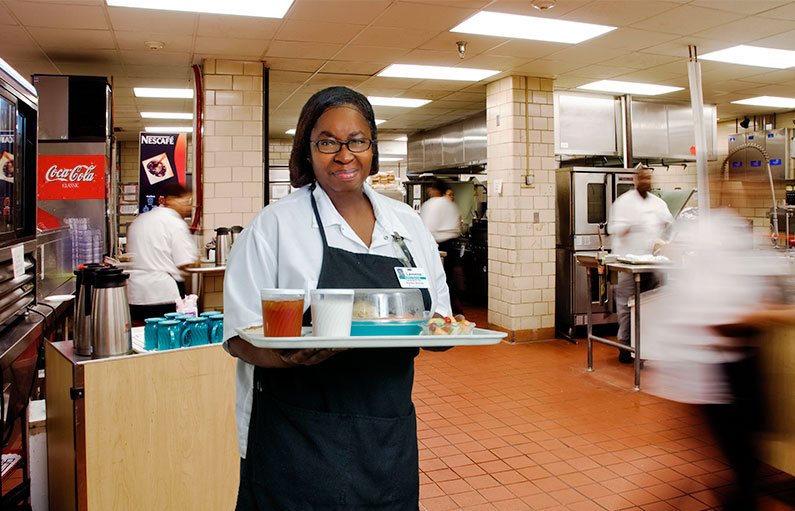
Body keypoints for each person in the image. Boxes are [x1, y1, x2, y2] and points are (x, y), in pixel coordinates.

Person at [223, 86, 452, 510]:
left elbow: (439, 316)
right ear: (307, 150)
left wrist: (441, 333)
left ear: (372, 148)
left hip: (387, 434)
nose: (344, 155)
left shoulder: (407, 224)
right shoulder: (274, 226)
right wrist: (292, 354)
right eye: (327, 141)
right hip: (296, 435)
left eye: (357, 141)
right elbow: (238, 337)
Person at [608, 165, 673, 363]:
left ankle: (647, 346)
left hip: (652, 263)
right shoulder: (624, 202)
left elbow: (670, 226)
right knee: (627, 306)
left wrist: (664, 237)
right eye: (642, 178)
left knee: (650, 305)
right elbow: (613, 227)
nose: (646, 182)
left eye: (648, 179)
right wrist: (628, 227)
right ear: (635, 180)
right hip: (628, 262)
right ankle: (625, 346)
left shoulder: (658, 203)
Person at [126, 183, 198, 324]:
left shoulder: (140, 220)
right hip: (162, 295)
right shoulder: (174, 222)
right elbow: (184, 262)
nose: (187, 206)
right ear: (170, 199)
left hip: (136, 295)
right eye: (185, 201)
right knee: (168, 338)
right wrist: (197, 260)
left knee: (142, 336)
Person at [420, 180, 463, 314]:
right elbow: (458, 223)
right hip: (452, 243)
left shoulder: (431, 204)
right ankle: (455, 306)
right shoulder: (451, 204)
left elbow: (426, 228)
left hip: (438, 244)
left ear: (436, 190)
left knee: (437, 278)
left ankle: (438, 308)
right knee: (450, 277)